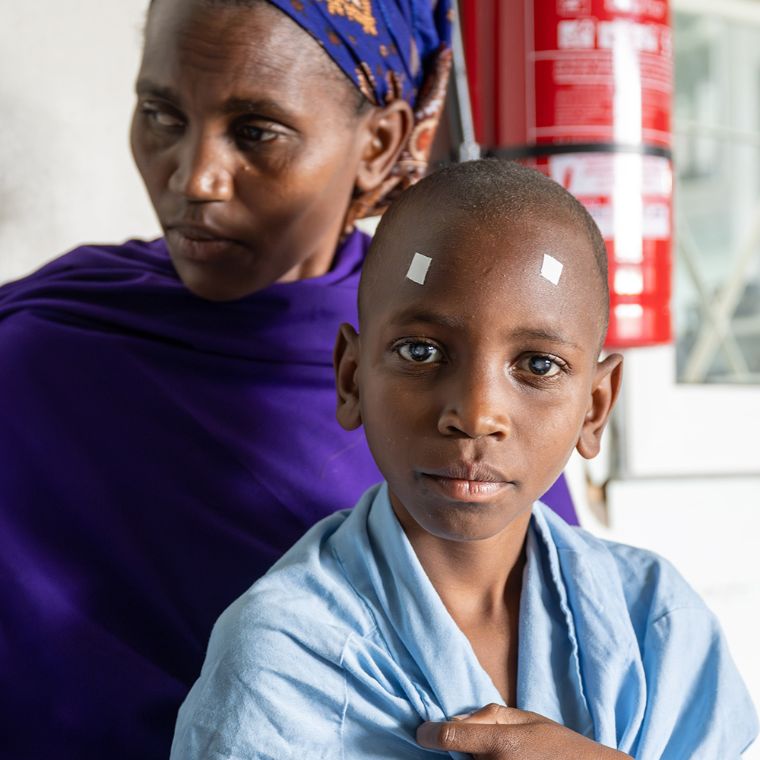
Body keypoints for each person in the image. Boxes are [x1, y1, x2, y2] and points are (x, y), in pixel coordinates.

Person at [0, 1, 466, 758]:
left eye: (255, 133)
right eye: (161, 115)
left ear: (378, 144)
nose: (195, 178)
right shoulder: (47, 334)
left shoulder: (457, 373)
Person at [172, 160, 759, 759]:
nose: (476, 414)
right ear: (351, 379)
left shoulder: (655, 620)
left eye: (537, 365)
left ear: (595, 406)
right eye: (421, 350)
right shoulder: (282, 657)